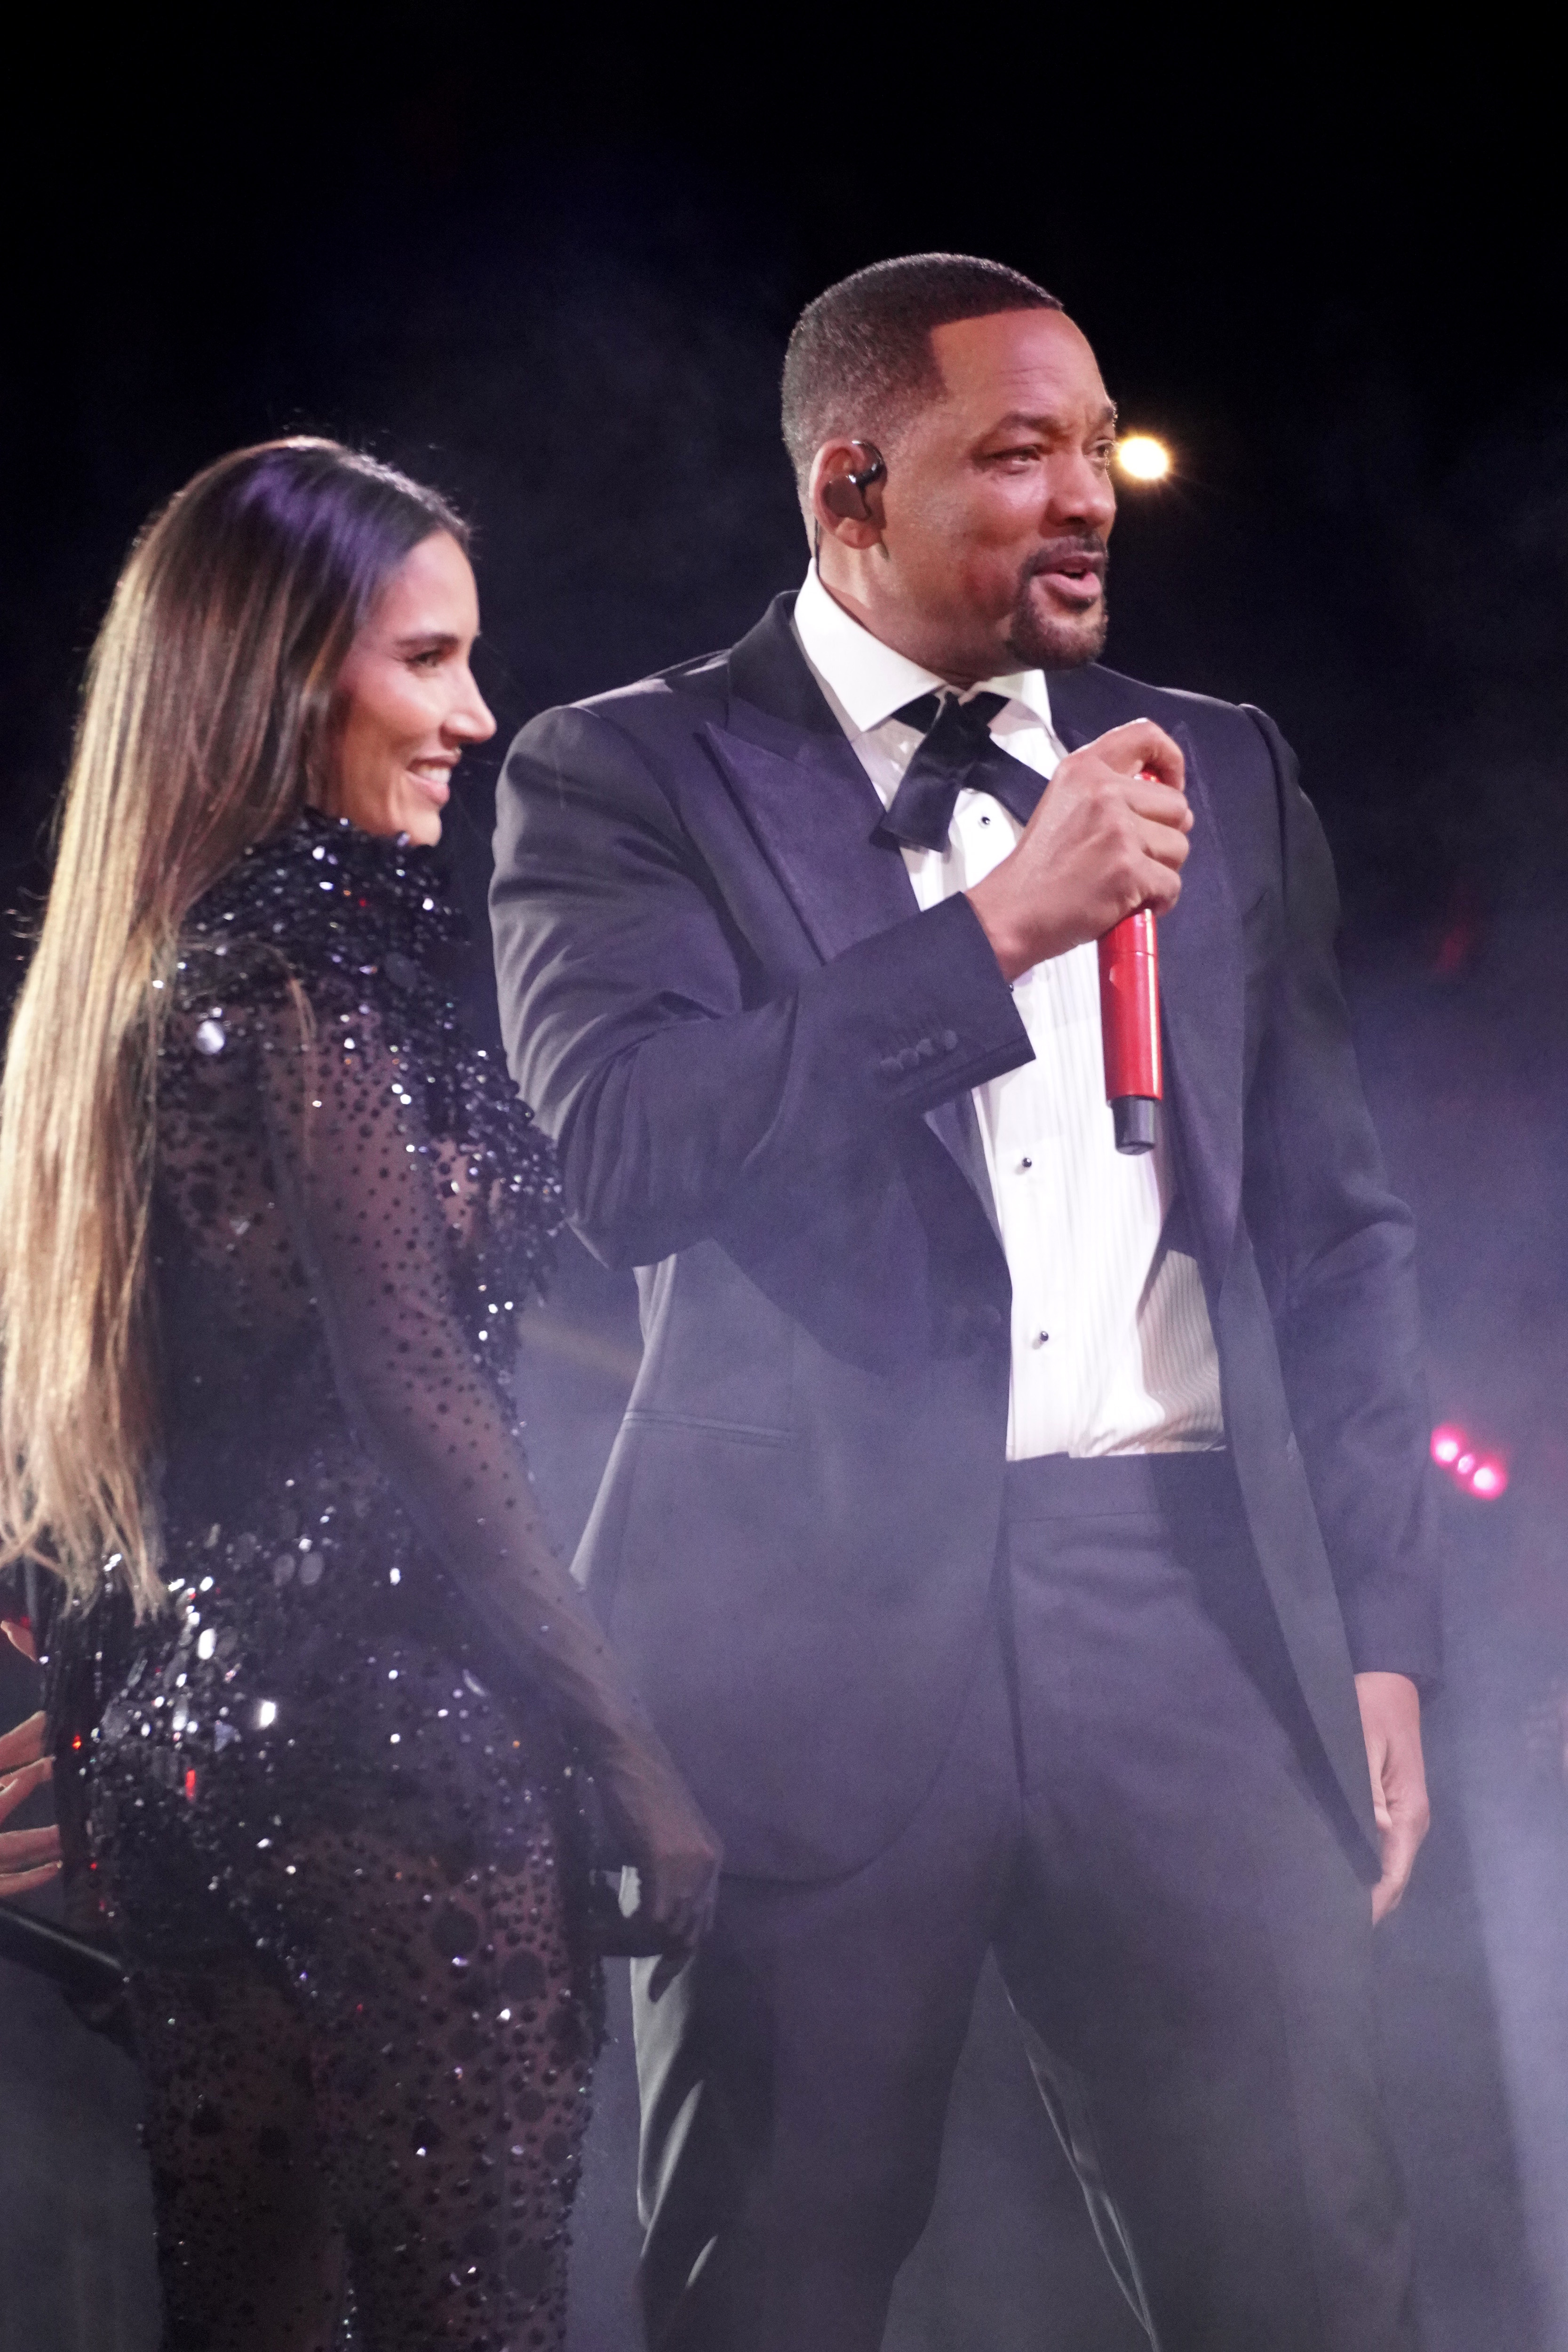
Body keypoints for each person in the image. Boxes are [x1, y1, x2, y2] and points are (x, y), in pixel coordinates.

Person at [490, 255, 1437, 2352]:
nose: (1088, 493)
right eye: (1017, 454)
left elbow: (1336, 1234)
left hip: (1183, 1617)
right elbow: (628, 1154)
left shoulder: (1223, 763)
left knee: (1316, 2279)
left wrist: (1376, 1627)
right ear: (852, 486)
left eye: (1096, 444)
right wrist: (1006, 924)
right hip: (806, 1636)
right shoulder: (622, 770)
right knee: (773, 2291)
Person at [0, 438, 719, 2352]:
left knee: (244, 2316)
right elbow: (421, 1400)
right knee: (465, 2313)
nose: (478, 713)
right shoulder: (305, 985)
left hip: (186, 1767)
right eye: (433, 660)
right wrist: (626, 1743)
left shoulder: (148, 982)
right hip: (400, 1750)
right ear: (283, 671)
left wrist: (92, 1766)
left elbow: (128, 1435)